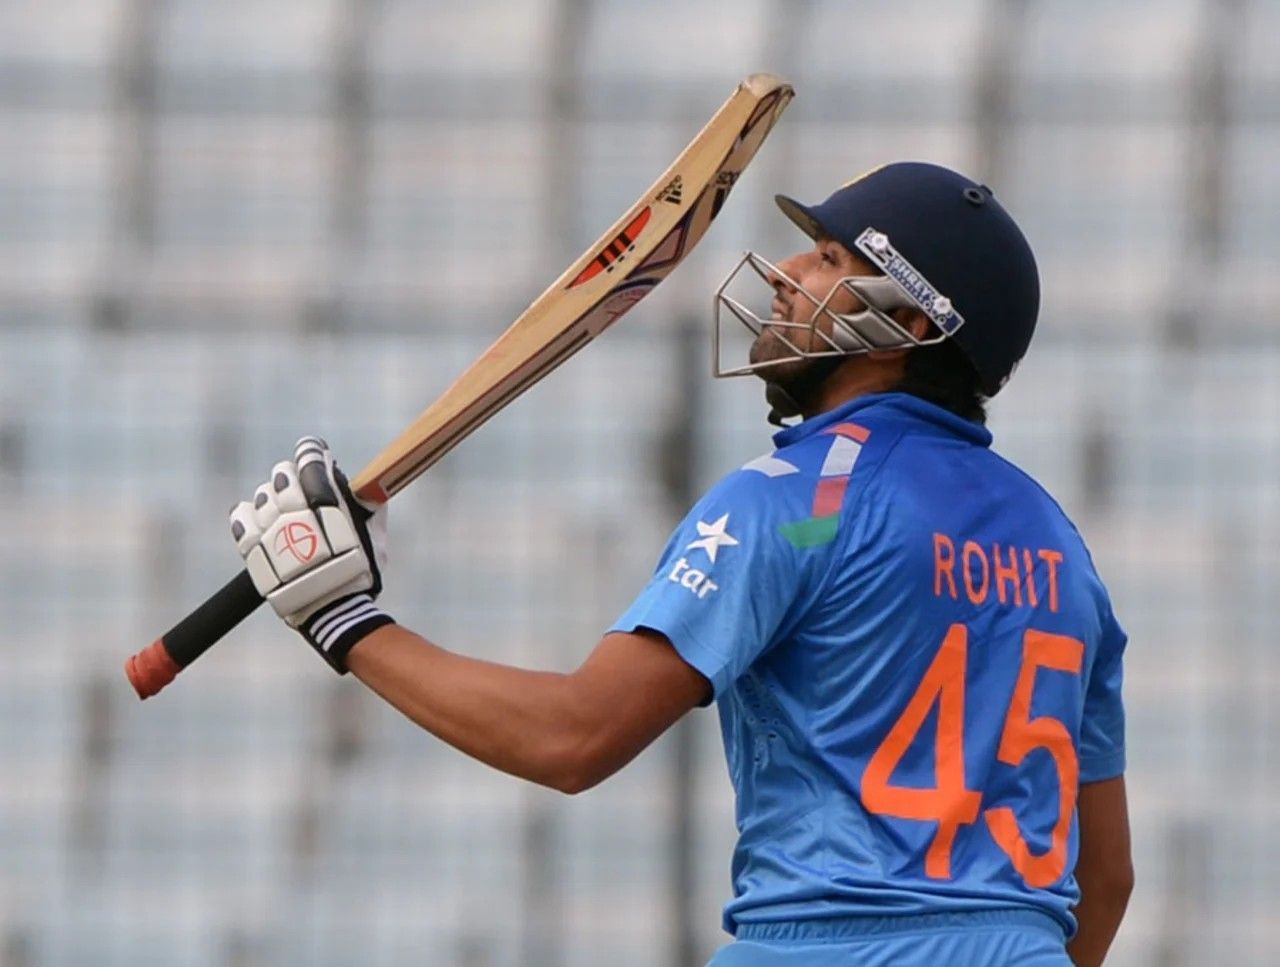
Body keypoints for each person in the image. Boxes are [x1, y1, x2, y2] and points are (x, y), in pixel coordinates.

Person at [228, 162, 1133, 965]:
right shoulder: (1060, 545)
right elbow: (1108, 875)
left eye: (827, 258)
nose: (785, 274)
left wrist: (346, 619)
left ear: (903, 323)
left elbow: (572, 736)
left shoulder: (796, 503)